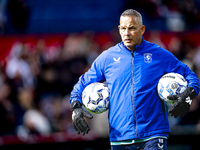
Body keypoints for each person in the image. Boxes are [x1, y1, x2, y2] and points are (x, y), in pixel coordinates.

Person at [70, 9, 200, 150]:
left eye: (132, 28)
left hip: (153, 134)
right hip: (120, 138)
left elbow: (191, 76)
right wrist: (76, 108)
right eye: (123, 28)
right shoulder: (107, 58)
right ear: (119, 29)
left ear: (142, 29)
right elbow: (81, 84)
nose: (127, 33)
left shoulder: (159, 54)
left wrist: (187, 97)